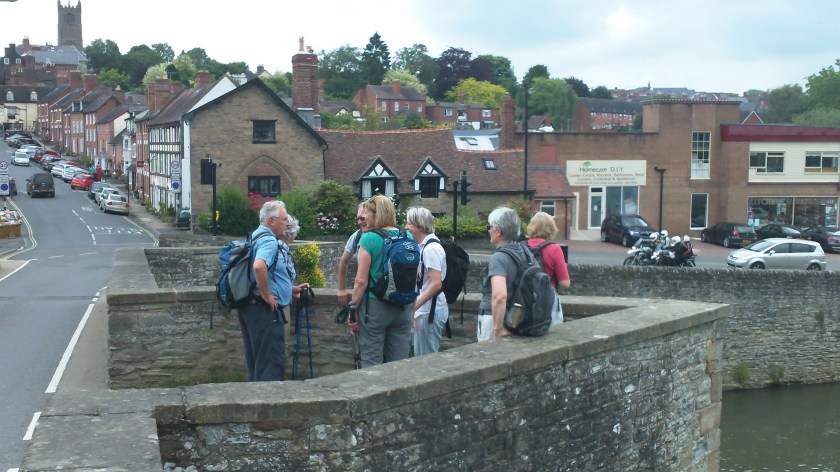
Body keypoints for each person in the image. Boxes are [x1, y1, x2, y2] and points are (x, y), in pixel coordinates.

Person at [238, 201, 309, 382]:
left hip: (249, 307)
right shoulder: (269, 240)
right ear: (271, 221)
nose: (287, 223)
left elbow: (266, 274)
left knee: (256, 362)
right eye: (284, 219)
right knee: (270, 364)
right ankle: (268, 406)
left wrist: (289, 288)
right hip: (264, 311)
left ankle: (255, 404)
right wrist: (267, 295)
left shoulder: (254, 236)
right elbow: (259, 267)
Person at [348, 195, 413, 367]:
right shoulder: (408, 237)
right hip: (403, 308)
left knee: (371, 364)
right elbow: (416, 275)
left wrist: (353, 310)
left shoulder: (369, 238)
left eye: (367, 212)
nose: (364, 216)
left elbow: (361, 281)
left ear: (377, 214)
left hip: (375, 308)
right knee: (399, 364)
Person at [478, 206, 527, 342]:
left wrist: (497, 329)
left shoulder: (498, 258)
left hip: (494, 318)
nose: (488, 230)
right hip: (516, 320)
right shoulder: (524, 252)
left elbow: (499, 296)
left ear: (498, 231)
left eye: (490, 227)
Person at [405, 206, 448, 356]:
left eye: (409, 223)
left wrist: (413, 307)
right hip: (427, 309)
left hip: (430, 311)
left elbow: (436, 283)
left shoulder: (431, 249)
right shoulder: (425, 246)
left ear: (419, 224)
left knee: (426, 358)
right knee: (422, 355)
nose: (406, 227)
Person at [525, 212, 571, 324]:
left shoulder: (521, 247)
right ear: (551, 228)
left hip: (525, 297)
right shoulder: (555, 249)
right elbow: (565, 283)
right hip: (548, 298)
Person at [337, 203, 367, 307]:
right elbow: (344, 261)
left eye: (362, 218)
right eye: (358, 219)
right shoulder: (357, 236)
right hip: (363, 293)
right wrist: (341, 289)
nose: (359, 222)